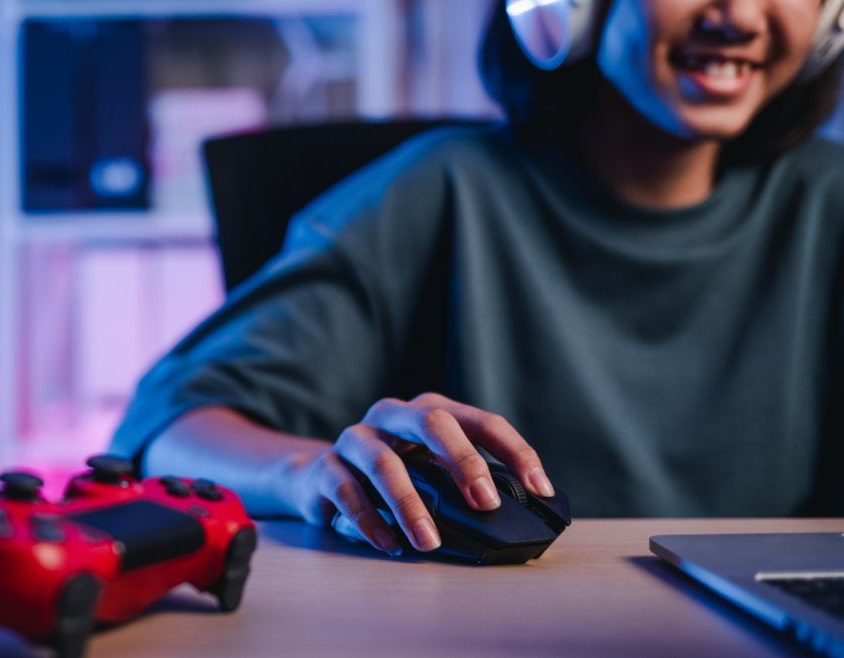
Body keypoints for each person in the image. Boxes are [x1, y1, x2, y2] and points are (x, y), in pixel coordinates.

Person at [111, 0, 844, 557]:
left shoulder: (830, 203)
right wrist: (309, 471)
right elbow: (163, 431)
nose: (741, 17)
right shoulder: (436, 189)